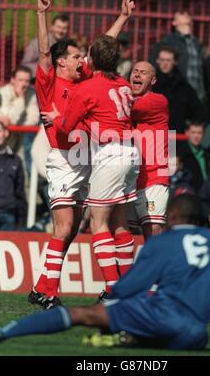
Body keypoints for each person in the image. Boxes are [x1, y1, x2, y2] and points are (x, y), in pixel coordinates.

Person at [0, 194, 210, 354]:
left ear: (172, 218)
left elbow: (129, 286)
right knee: (166, 335)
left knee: (82, 315)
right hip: (195, 336)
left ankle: (0, 332)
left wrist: (110, 308)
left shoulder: (163, 242)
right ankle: (128, 337)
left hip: (158, 316)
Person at [30, 0, 136, 309]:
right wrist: (42, 14)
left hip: (88, 158)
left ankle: (42, 288)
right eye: (75, 56)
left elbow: (102, 49)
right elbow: (46, 51)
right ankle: (49, 292)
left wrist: (121, 18)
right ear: (61, 63)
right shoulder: (50, 80)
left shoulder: (82, 80)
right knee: (63, 227)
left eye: (81, 56)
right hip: (64, 159)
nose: (82, 60)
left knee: (74, 228)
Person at [44, 34, 139, 300]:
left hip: (109, 155)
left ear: (92, 59)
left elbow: (65, 126)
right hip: (132, 152)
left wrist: (55, 117)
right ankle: (128, 286)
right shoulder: (123, 84)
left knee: (99, 225)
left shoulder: (87, 88)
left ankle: (112, 289)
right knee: (121, 225)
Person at [128, 61, 169, 240]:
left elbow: (128, 109)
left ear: (153, 80)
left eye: (143, 73)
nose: (137, 75)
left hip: (153, 179)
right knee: (122, 234)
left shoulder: (157, 101)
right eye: (135, 71)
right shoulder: (124, 97)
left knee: (152, 232)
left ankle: (157, 268)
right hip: (128, 180)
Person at [150, 11, 205, 101]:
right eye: (182, 14)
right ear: (174, 22)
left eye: (188, 15)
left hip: (197, 96)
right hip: (176, 95)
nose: (187, 15)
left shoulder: (196, 43)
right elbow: (154, 67)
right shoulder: (167, 42)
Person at [152, 47, 204, 133]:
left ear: (175, 62)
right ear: (157, 61)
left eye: (168, 60)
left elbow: (196, 109)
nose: (164, 63)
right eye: (162, 60)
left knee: (172, 147)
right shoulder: (151, 83)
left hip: (174, 131)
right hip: (153, 131)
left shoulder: (183, 85)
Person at [21, 14, 69, 79]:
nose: (61, 31)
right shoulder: (37, 43)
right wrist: (45, 71)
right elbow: (25, 64)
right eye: (58, 27)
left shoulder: (68, 45)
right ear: (51, 27)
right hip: (37, 81)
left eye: (64, 28)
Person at [178, 120, 210, 192]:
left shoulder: (207, 154)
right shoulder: (181, 154)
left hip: (206, 194)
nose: (196, 136)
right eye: (193, 132)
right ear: (187, 133)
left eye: (199, 133)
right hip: (189, 194)